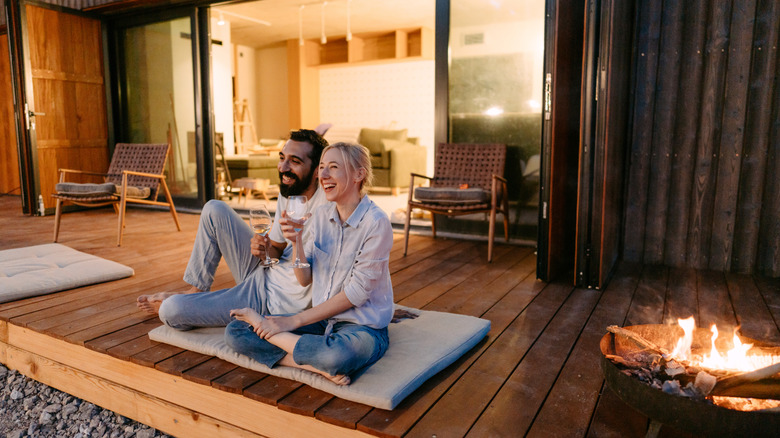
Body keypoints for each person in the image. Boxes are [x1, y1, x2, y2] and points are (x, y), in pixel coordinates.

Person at [226, 142, 394, 386]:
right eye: (322, 167)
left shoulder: (376, 223)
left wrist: (292, 321)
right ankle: (319, 367)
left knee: (338, 355)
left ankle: (319, 359)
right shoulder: (323, 216)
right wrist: (296, 243)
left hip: (361, 327)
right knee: (235, 332)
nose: (322, 175)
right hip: (323, 321)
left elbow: (356, 294)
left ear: (359, 174)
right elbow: (305, 278)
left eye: (333, 167)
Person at [135, 129, 329, 329]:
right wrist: (264, 248)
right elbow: (277, 249)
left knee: (171, 309)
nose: (283, 167)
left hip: (267, 300)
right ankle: (196, 291)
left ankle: (194, 304)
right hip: (264, 271)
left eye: (295, 161)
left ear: (317, 171)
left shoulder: (330, 207)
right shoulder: (289, 191)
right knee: (214, 209)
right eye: (282, 158)